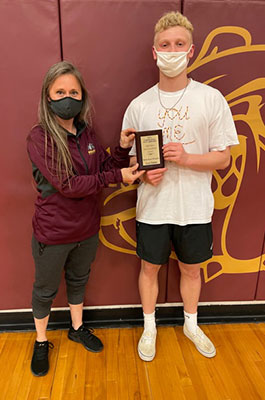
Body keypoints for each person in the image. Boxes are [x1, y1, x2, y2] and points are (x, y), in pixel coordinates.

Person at [122, 11, 239, 361]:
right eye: (165, 45)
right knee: (149, 268)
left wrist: (187, 159)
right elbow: (130, 161)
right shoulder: (138, 105)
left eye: (179, 44)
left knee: (191, 269)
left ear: (191, 51)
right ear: (154, 52)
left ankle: (191, 323)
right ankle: (149, 327)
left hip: (195, 206)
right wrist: (143, 172)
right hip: (153, 207)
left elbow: (223, 159)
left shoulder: (211, 99)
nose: (171, 50)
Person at [27, 61, 144, 377]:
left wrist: (121, 149)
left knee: (79, 281)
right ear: (47, 97)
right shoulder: (39, 138)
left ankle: (77, 328)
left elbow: (104, 167)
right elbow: (69, 185)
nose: (68, 97)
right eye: (60, 91)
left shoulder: (86, 133)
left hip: (87, 229)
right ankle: (40, 341)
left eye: (73, 91)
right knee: (45, 290)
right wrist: (117, 175)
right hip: (53, 233)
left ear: (82, 96)